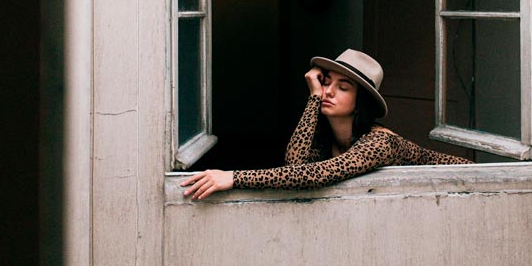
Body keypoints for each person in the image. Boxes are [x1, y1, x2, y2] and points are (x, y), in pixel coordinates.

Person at [181, 49, 473, 200]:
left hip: (465, 190)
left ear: (361, 103)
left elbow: (316, 175)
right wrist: (313, 99)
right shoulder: (327, 137)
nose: (328, 92)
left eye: (343, 87)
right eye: (326, 82)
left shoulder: (380, 143)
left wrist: (233, 178)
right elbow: (295, 168)